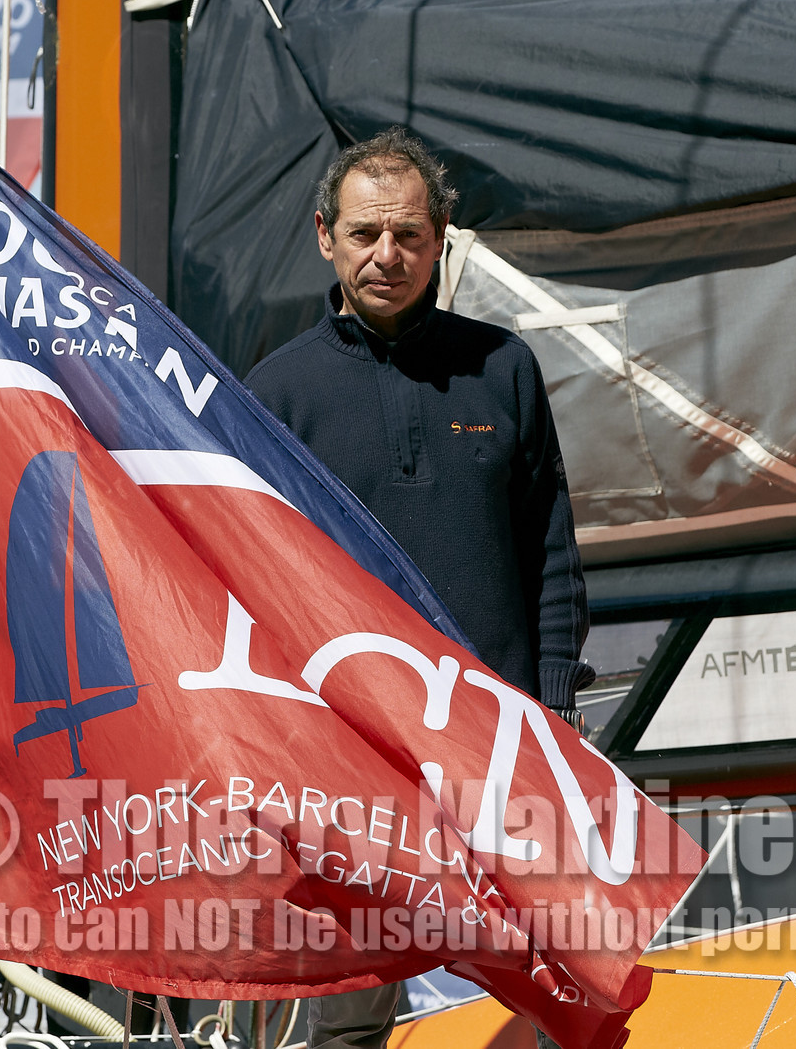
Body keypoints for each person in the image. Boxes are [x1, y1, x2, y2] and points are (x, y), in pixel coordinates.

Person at [244, 128, 594, 1049]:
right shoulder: (275, 397)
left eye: (407, 234)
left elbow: (549, 552)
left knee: (543, 992)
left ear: (442, 240)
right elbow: (252, 584)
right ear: (325, 236)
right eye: (364, 234)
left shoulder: (504, 369)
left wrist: (552, 707)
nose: (385, 255)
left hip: (502, 744)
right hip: (348, 756)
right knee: (354, 1006)